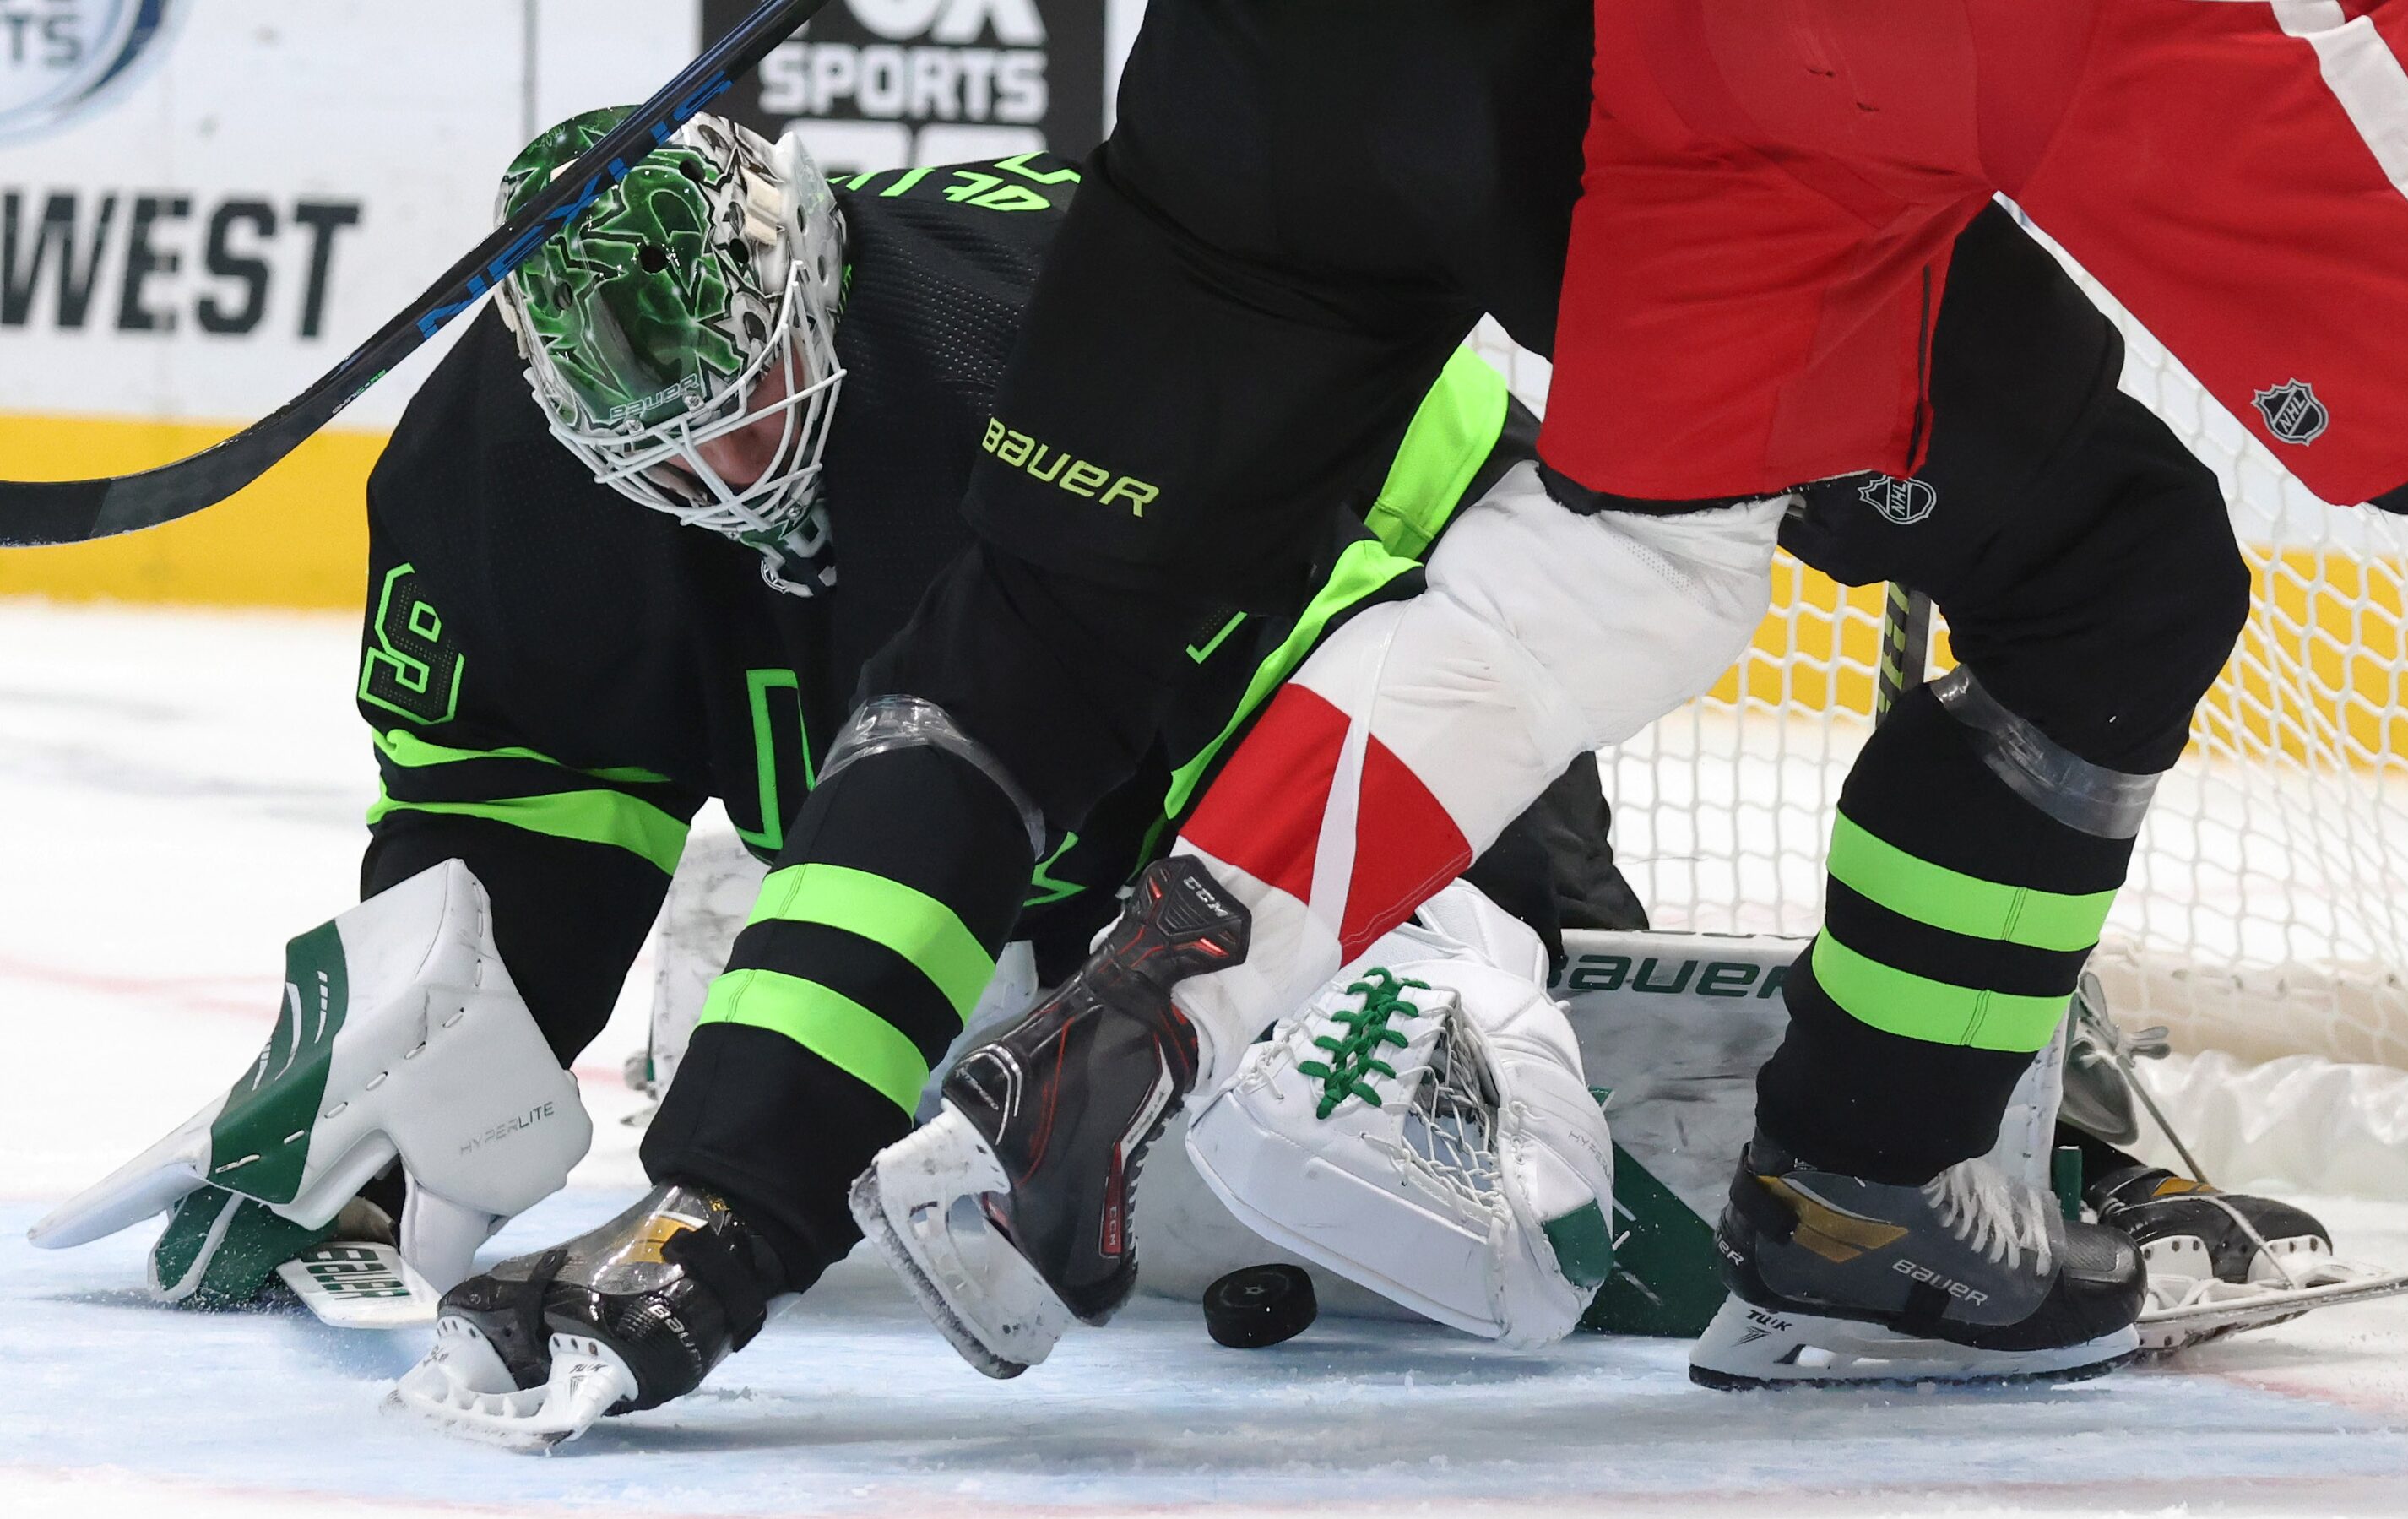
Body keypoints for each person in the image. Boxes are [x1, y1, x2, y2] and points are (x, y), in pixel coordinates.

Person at [28, 108, 1623, 1442]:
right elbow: (535, 814)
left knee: (1319, 1146)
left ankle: (1478, 996)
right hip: (981, 833)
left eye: (749, 403)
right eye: (657, 449)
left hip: (1367, 673)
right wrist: (415, 1058)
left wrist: (1262, 964)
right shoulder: (501, 461)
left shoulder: (1039, 334)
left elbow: (1388, 668)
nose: (723, 471)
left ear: (813, 266)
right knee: (886, 1079)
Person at [846, 0, 2274, 1389]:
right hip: (1631, 77)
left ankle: (1101, 1049)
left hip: (1258, 71)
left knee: (1080, 609)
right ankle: (1862, 1191)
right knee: (2106, 570)